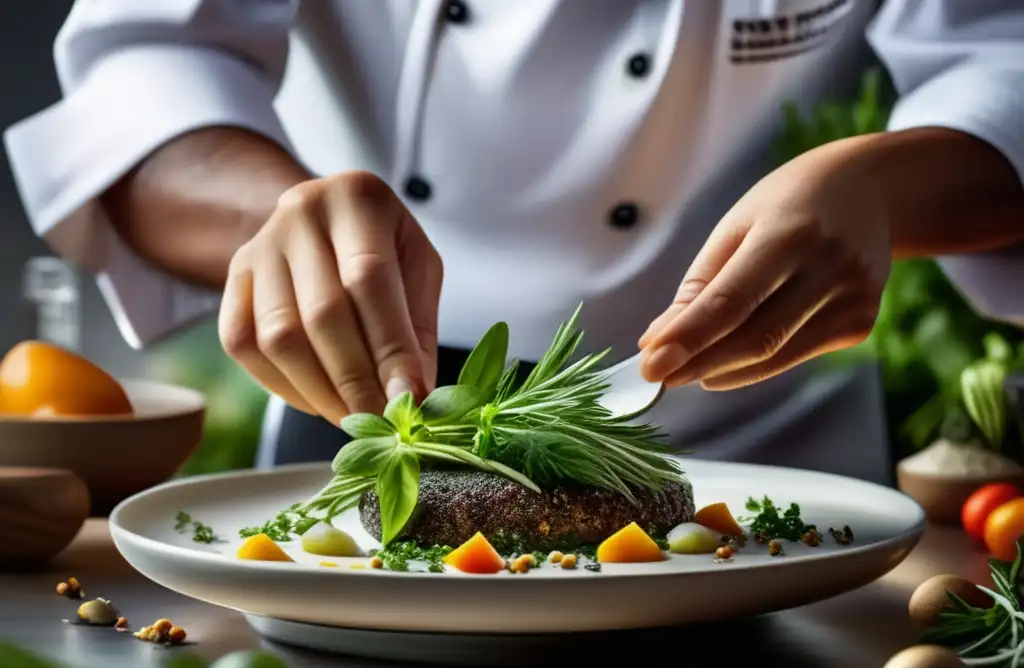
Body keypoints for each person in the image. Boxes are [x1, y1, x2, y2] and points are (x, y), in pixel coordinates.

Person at [5, 0, 1023, 485]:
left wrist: (880, 186)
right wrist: (278, 220)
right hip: (356, 456)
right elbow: (142, 70)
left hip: (769, 462)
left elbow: (1003, 56)